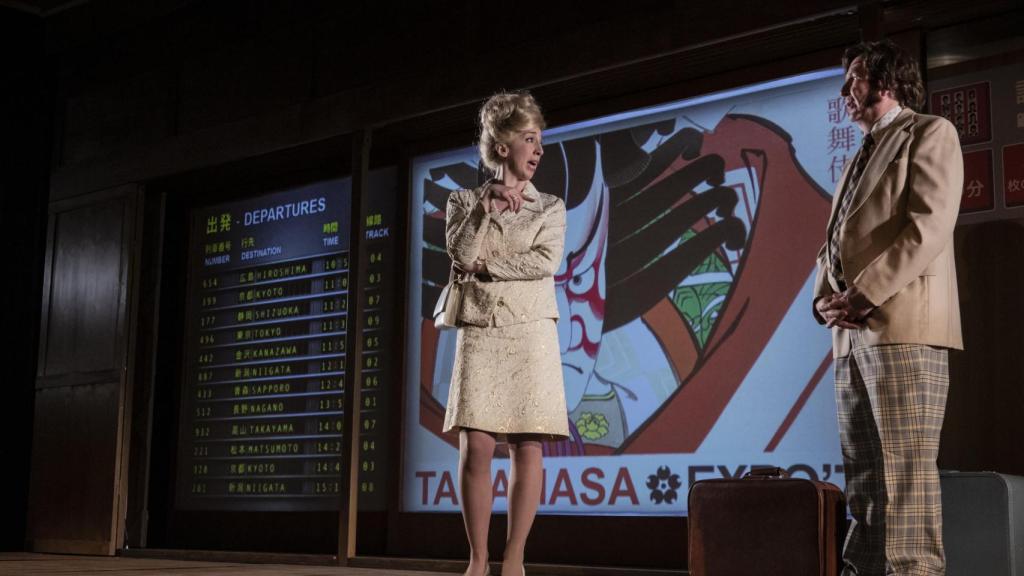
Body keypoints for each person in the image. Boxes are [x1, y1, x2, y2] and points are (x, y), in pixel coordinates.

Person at [813, 40, 963, 576]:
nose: (844, 90)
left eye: (854, 76)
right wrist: (822, 301)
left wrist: (863, 293)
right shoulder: (857, 155)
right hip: (851, 334)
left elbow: (929, 225)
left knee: (906, 476)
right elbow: (833, 242)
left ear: (887, 79)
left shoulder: (929, 132)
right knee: (865, 479)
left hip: (904, 325)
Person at [443, 90, 568, 576]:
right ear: (501, 146)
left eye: (541, 140)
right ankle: (477, 559)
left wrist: (488, 267)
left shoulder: (550, 207)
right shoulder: (462, 201)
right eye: (529, 139)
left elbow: (545, 262)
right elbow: (461, 254)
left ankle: (514, 558)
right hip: (481, 328)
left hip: (532, 330)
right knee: (475, 443)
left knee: (526, 444)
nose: (538, 150)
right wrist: (486, 209)